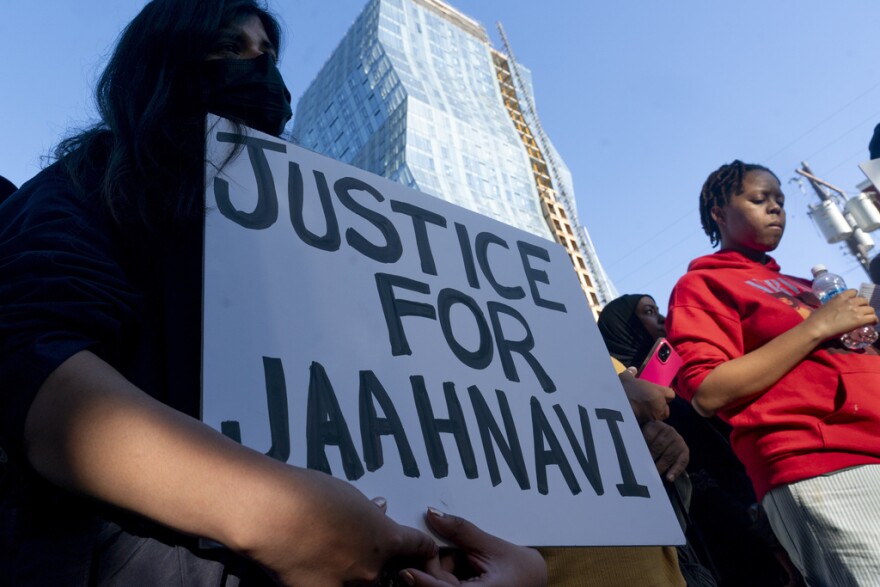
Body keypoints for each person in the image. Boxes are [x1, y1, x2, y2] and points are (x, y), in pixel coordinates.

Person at [0, 1, 545, 585]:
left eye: (269, 54)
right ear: (163, 63)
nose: (259, 69)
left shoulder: (324, 231)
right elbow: (32, 362)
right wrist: (275, 514)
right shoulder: (96, 181)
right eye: (231, 49)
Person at [667, 160, 880, 586]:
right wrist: (818, 325)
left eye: (780, 201)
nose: (776, 209)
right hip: (825, 467)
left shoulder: (805, 285)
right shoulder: (701, 286)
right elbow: (709, 391)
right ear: (719, 213)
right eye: (759, 199)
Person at [600, 294, 799, 587]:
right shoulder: (612, 399)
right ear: (623, 328)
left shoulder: (684, 383)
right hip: (697, 534)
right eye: (649, 312)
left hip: (747, 511)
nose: (661, 319)